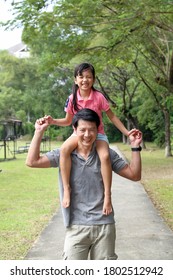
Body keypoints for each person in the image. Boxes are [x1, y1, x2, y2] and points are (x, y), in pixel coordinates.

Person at [26, 108, 142, 260]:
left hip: (104, 225)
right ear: (74, 129)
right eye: (82, 130)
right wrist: (39, 132)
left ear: (97, 130)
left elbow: (134, 175)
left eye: (91, 130)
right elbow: (32, 162)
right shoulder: (63, 154)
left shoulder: (106, 154)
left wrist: (135, 147)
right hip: (76, 227)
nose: (87, 135)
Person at [44, 62, 134, 215]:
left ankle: (107, 195)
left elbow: (112, 117)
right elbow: (67, 121)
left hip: (97, 134)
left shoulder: (99, 97)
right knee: (64, 149)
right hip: (77, 134)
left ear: (93, 79)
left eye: (88, 77)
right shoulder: (72, 99)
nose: (85, 80)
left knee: (105, 156)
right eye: (81, 77)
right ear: (75, 80)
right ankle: (67, 188)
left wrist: (127, 132)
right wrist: (52, 121)